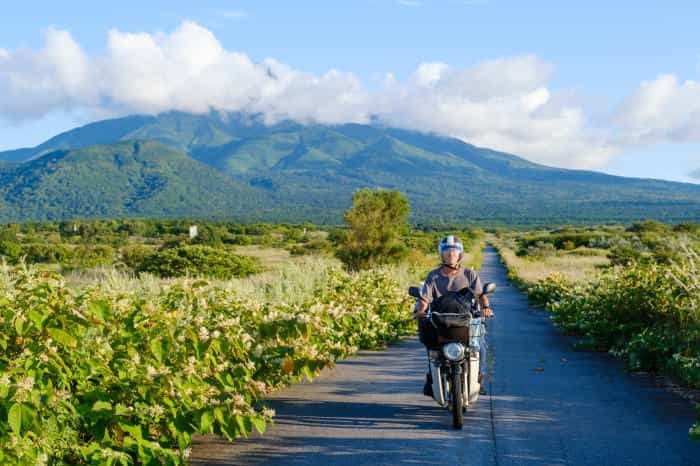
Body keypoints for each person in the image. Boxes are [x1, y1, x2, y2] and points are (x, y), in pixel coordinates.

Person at [413, 235, 493, 396]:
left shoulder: (469, 274)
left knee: (480, 346)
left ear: (460, 254)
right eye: (447, 252)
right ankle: (431, 378)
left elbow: (480, 294)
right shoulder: (433, 276)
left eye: (454, 252)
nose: (450, 255)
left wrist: (486, 307)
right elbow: (425, 299)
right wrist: (420, 311)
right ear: (441, 254)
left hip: (465, 320)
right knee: (432, 349)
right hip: (440, 321)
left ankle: (479, 377)